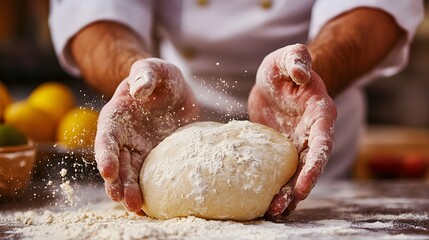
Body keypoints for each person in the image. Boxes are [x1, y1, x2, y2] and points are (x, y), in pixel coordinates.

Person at [49, 1, 424, 219]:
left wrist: (304, 78)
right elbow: (92, 10)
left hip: (308, 141)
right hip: (165, 123)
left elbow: (377, 8)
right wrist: (137, 80)